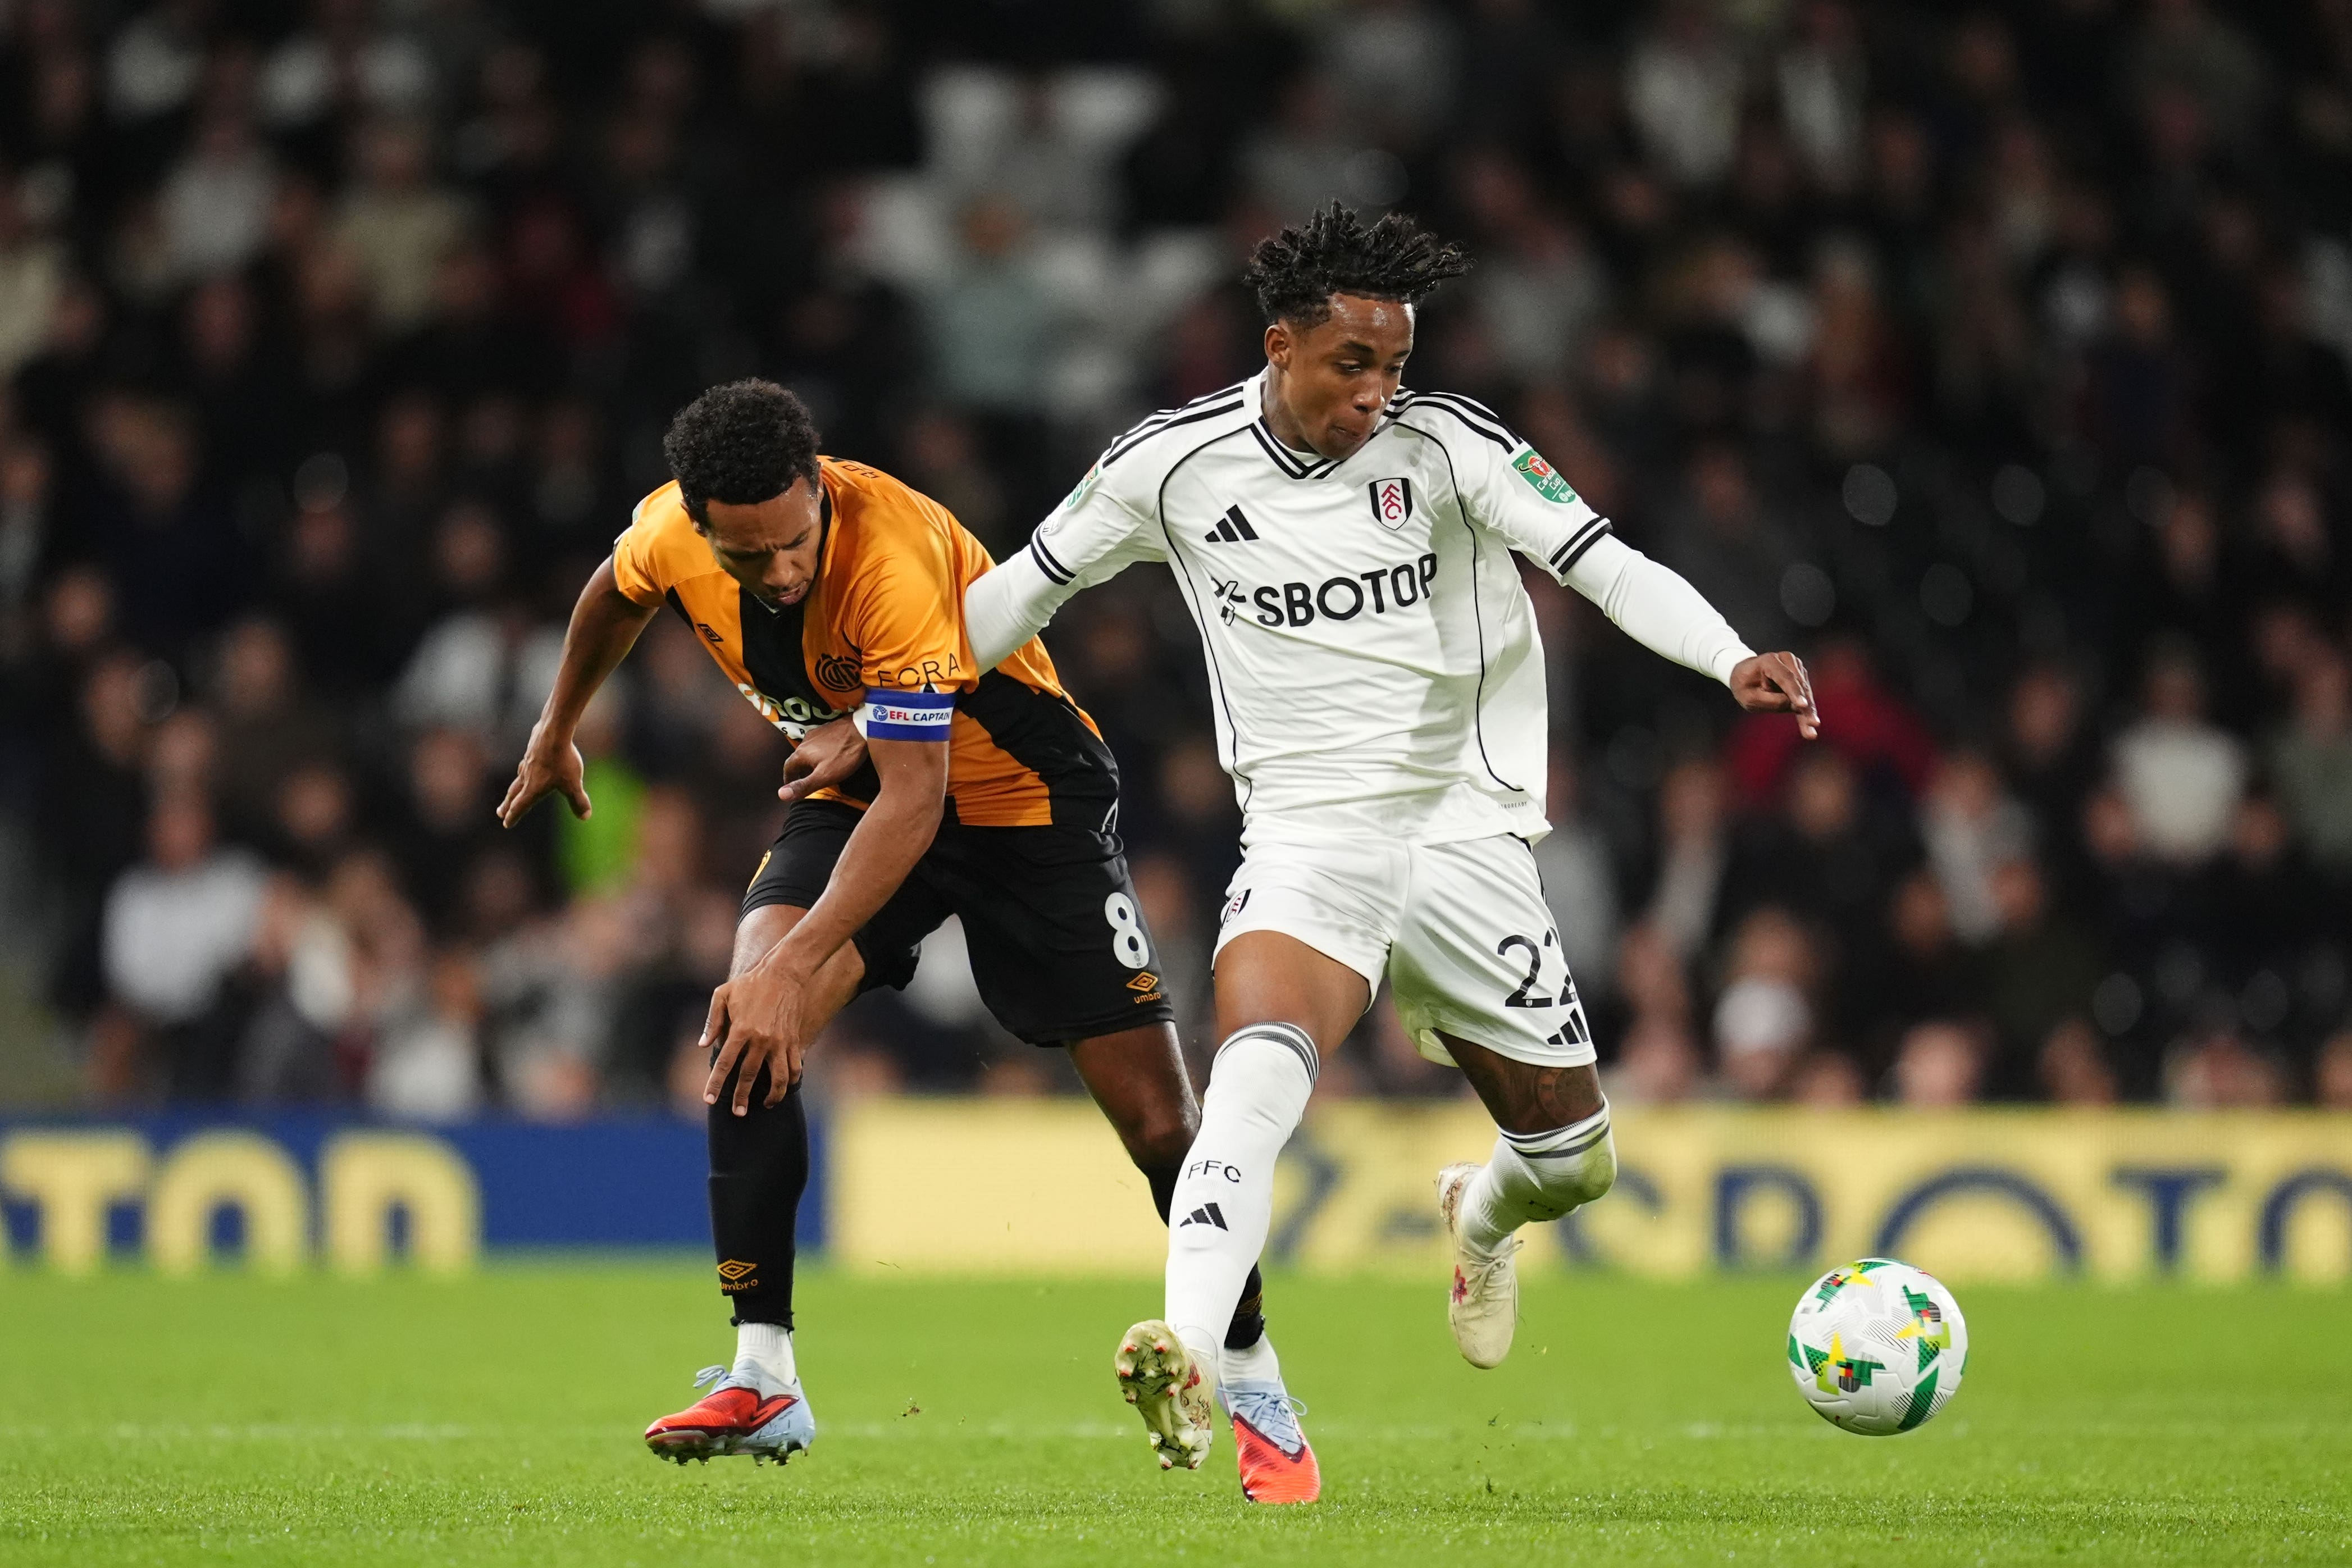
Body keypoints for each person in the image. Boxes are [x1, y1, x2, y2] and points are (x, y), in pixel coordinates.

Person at [965, 205, 1818, 1488]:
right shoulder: (1171, 463)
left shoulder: (1454, 446)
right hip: (1309, 836)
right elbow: (1015, 592)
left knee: (1575, 1161)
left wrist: (1730, 654)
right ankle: (1190, 1348)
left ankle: (1480, 1215)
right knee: (1253, 1072)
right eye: (1352, 366)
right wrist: (884, 718)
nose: (1379, 394)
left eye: (1396, 367)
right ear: (1280, 347)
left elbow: (1604, 564)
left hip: (1463, 832)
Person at [495, 381, 1282, 1473]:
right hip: (860, 785)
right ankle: (763, 1373)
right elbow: (613, 594)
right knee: (745, 1029)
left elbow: (922, 797)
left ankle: (1250, 1372)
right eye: (748, 557)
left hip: (1016, 800)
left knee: (1158, 1123)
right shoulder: (672, 533)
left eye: (791, 542)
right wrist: (557, 726)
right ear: (702, 525)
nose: (778, 571)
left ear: (817, 491)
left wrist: (797, 965)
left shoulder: (888, 553)